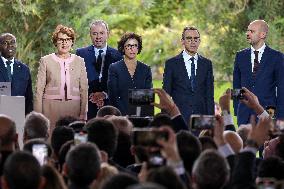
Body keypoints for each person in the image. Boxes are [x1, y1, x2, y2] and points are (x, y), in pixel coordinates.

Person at [34, 24, 88, 131]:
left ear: (72, 42)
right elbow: (38, 90)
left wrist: (83, 114)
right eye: (61, 39)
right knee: (51, 139)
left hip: (74, 109)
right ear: (55, 42)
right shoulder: (46, 60)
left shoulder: (80, 61)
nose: (65, 42)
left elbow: (84, 90)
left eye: (68, 39)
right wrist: (38, 115)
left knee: (71, 141)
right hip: (50, 108)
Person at [233, 19, 284, 125]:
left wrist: (281, 116)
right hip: (244, 115)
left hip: (268, 112)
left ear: (263, 34)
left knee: (267, 142)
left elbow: (281, 88)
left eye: (252, 31)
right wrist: (237, 109)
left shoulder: (277, 57)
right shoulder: (240, 56)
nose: (247, 34)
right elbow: (236, 85)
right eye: (247, 31)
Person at [163, 26, 214, 124]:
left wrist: (210, 121)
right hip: (178, 118)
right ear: (182, 41)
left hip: (200, 119)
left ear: (199, 41)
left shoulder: (207, 64)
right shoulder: (171, 64)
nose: (193, 41)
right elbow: (166, 95)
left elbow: (209, 95)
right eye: (189, 38)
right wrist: (165, 121)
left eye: (196, 39)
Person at [76, 20, 122, 119]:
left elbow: (120, 82)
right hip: (87, 105)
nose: (98, 37)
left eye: (101, 33)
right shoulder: (81, 53)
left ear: (107, 34)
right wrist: (93, 96)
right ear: (90, 35)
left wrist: (104, 94)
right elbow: (77, 79)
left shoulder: (118, 55)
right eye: (95, 33)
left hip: (110, 106)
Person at [108, 32, 152, 115]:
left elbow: (147, 98)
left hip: (140, 117)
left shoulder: (145, 69)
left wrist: (139, 116)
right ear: (123, 48)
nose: (132, 49)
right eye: (129, 45)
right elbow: (113, 96)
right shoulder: (114, 68)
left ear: (138, 48)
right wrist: (125, 115)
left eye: (135, 45)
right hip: (119, 116)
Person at [0, 33, 33, 115]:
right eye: (5, 43)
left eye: (12, 42)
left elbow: (29, 97)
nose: (10, 45)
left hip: (18, 115)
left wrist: (28, 117)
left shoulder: (24, 69)